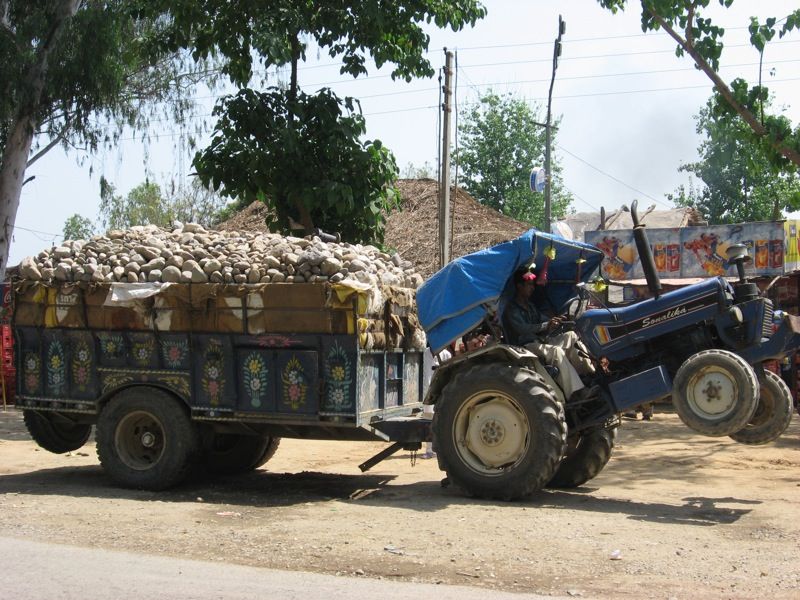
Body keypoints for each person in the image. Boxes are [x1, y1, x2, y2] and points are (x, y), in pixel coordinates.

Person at [502, 267, 596, 401]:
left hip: (540, 342)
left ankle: (589, 376)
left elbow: (543, 320)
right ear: (519, 286)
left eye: (533, 285)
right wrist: (547, 325)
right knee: (556, 351)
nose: (532, 288)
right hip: (525, 347)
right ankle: (577, 392)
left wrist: (558, 320)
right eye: (529, 285)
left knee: (571, 336)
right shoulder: (511, 309)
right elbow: (522, 329)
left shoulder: (530, 306)